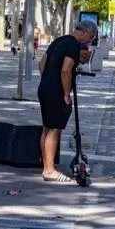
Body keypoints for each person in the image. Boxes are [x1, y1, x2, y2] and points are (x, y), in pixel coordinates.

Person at [37, 20, 97, 183]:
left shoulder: (58, 41)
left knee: (46, 128)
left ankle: (46, 166)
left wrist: (48, 81)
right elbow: (66, 69)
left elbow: (41, 64)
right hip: (56, 91)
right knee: (55, 129)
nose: (90, 41)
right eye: (90, 37)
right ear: (83, 32)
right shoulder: (73, 45)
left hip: (45, 88)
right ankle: (49, 170)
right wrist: (65, 93)